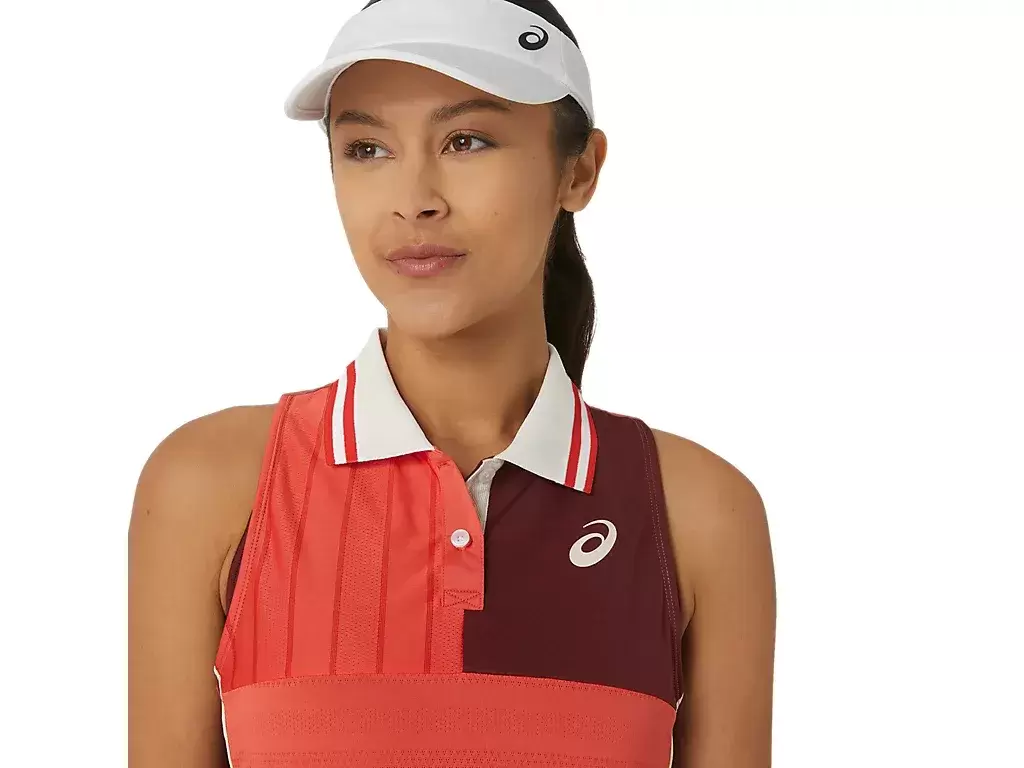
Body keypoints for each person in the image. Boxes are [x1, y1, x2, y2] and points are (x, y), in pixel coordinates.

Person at [127, 0, 776, 765]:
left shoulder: (697, 513)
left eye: (466, 141)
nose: (414, 199)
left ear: (579, 170)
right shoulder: (214, 486)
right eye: (367, 149)